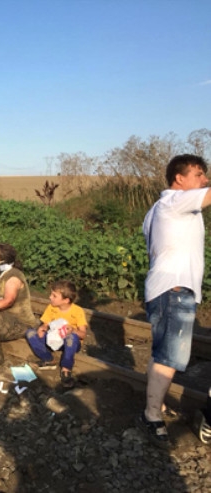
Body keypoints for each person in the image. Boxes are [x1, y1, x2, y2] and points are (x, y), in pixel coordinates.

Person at [138, 154, 211, 449]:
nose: (204, 180)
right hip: (174, 290)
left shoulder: (156, 209)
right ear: (179, 179)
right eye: (199, 175)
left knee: (161, 354)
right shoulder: (175, 200)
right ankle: (151, 415)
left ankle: (155, 404)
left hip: (163, 289)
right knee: (170, 358)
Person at [25, 280, 88, 388]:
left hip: (68, 342)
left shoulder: (78, 311)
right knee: (30, 333)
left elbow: (82, 334)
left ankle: (66, 369)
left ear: (66, 300)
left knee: (71, 338)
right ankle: (48, 359)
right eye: (51, 294)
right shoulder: (51, 307)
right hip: (53, 339)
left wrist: (72, 330)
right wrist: (43, 328)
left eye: (54, 296)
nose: (50, 297)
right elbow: (46, 324)